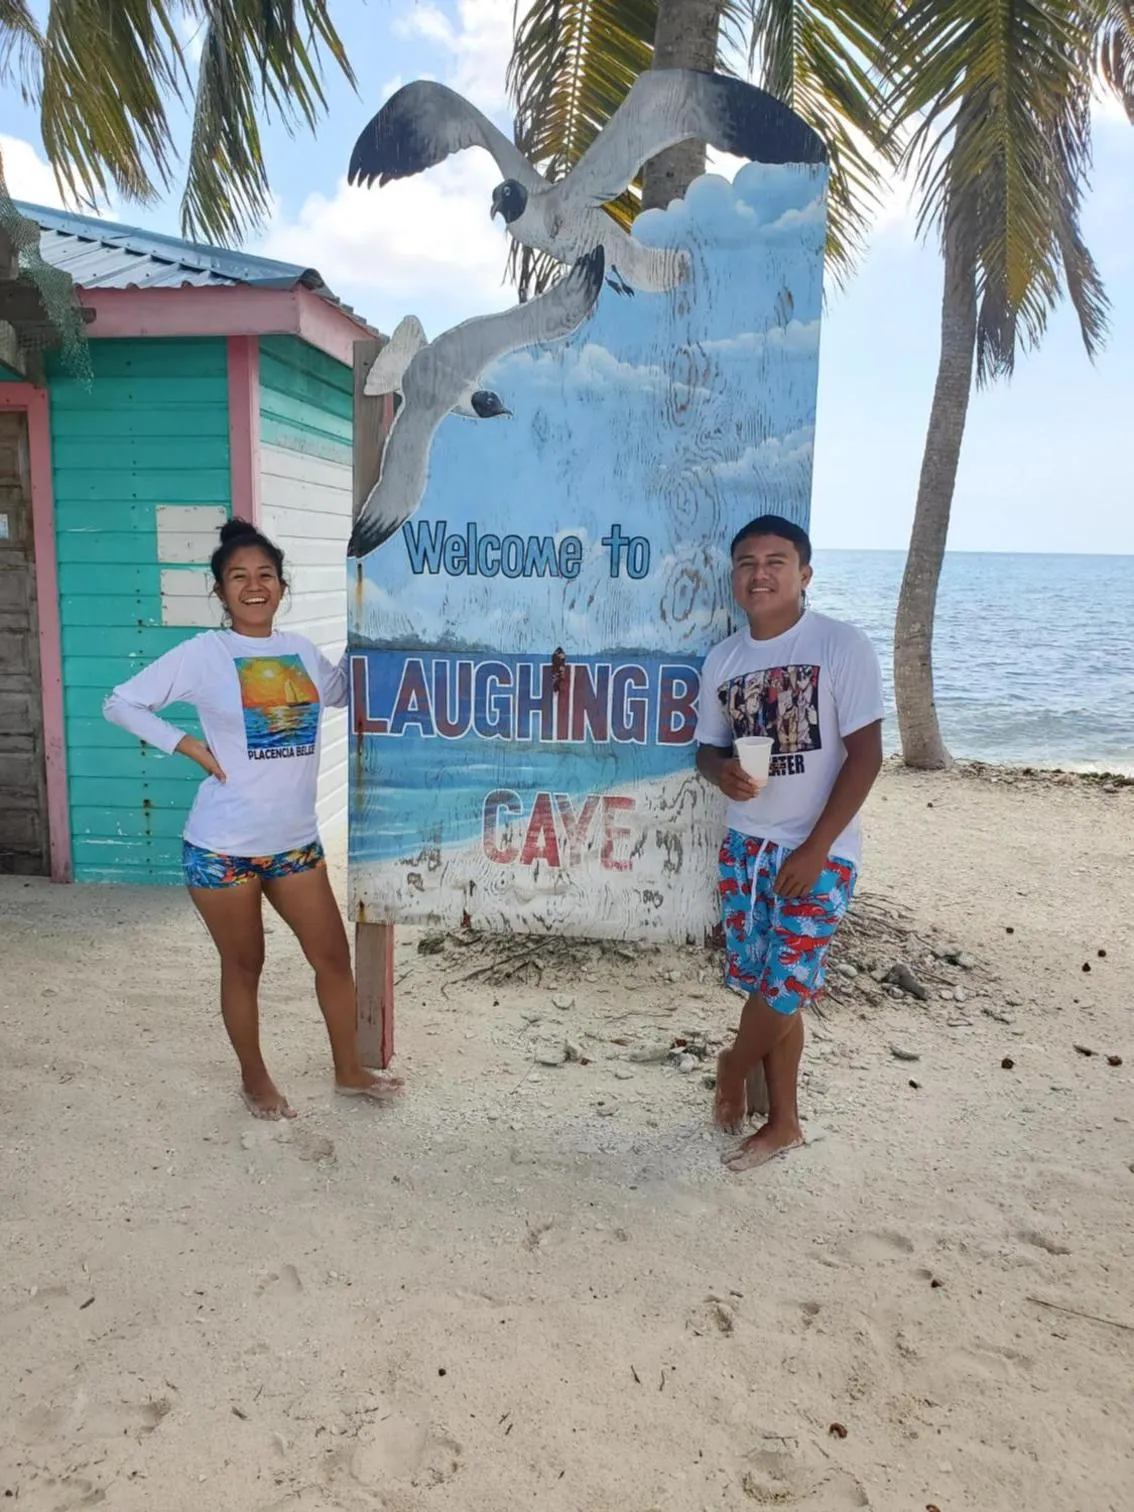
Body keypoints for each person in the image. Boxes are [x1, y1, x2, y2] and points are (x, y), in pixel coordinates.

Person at [104, 518, 402, 1120]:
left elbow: (345, 690)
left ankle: (348, 1071)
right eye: (238, 577)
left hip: (294, 845)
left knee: (333, 959)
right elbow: (121, 702)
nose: (254, 585)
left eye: (265, 574)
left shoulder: (300, 651)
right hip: (221, 848)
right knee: (245, 967)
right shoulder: (204, 654)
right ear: (220, 592)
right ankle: (255, 1080)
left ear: (282, 586)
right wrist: (187, 745)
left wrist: (375, 622)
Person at [694, 514, 883, 1171]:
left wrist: (816, 849)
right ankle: (784, 1121)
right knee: (765, 981)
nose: (760, 573)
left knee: (786, 986)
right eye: (746, 563)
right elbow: (706, 749)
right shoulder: (725, 659)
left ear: (804, 574)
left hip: (818, 851)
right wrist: (719, 772)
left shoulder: (840, 645)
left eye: (776, 561)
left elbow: (866, 756)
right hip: (746, 848)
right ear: (734, 579)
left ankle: (729, 1068)